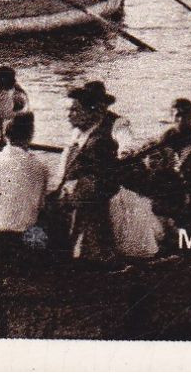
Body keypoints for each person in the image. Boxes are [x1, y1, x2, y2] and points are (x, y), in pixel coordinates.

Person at [54, 81, 122, 261]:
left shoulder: (99, 142)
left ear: (91, 112)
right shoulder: (83, 134)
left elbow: (105, 182)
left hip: (90, 207)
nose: (69, 115)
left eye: (75, 110)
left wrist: (72, 194)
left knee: (91, 250)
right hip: (80, 202)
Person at [0, 112, 50, 256]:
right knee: (47, 223)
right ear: (30, 136)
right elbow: (40, 207)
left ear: (6, 136)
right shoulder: (40, 167)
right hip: (20, 240)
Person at [0, 66, 29, 135]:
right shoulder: (18, 90)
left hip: (4, 129)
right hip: (15, 126)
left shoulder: (5, 94)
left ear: (2, 79)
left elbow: (4, 115)